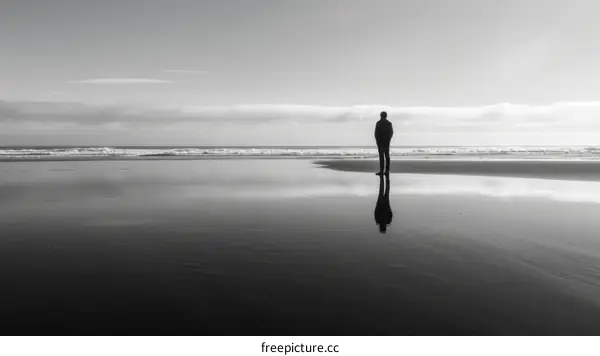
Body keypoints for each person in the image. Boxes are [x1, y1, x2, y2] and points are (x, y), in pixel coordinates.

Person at [374, 111, 393, 175]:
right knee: (387, 156)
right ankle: (387, 171)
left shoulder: (378, 123)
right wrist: (389, 140)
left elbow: (376, 133)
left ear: (381, 115)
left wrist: (377, 141)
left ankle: (382, 171)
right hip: (386, 142)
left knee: (381, 157)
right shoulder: (388, 123)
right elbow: (391, 133)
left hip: (380, 142)